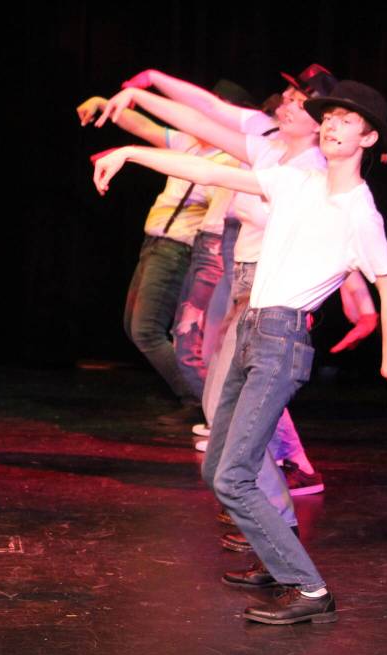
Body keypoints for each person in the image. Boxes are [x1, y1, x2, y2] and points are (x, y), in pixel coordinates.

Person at [93, 80, 387, 625]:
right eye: (331, 117)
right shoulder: (299, 182)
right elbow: (209, 170)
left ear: (368, 138)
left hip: (281, 340)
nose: (333, 125)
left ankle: (310, 590)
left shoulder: (358, 212)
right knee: (218, 471)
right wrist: (130, 151)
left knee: (233, 475)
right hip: (251, 328)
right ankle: (278, 565)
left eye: (347, 120)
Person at [79, 82, 242, 426]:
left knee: (147, 330)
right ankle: (198, 397)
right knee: (133, 325)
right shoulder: (188, 144)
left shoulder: (230, 160)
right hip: (154, 243)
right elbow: (143, 126)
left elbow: (219, 218)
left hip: (178, 249)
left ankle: (201, 399)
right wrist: (103, 101)